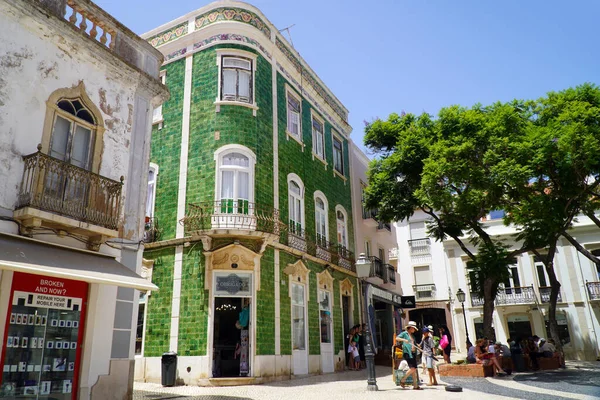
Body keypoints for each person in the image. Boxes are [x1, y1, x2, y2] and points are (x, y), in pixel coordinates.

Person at [396, 321, 422, 390]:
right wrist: (404, 340)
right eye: (413, 328)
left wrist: (418, 346)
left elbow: (414, 344)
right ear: (410, 328)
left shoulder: (413, 336)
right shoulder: (404, 334)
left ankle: (415, 386)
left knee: (414, 369)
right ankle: (402, 380)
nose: (414, 330)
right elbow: (397, 338)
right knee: (412, 368)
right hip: (407, 353)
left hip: (413, 353)